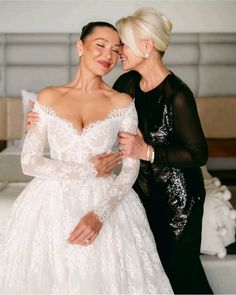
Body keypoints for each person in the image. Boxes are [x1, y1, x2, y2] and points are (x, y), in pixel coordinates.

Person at [0, 21, 173, 294]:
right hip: (49, 203)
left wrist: (99, 215)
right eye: (100, 46)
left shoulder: (122, 103)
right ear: (80, 47)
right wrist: (88, 170)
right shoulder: (49, 96)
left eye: (116, 50)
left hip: (106, 202)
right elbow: (29, 162)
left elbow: (130, 168)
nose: (108, 56)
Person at [112, 7, 213, 294]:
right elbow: (98, 112)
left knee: (181, 274)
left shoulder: (177, 94)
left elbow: (198, 154)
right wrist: (48, 114)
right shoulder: (127, 83)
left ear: (147, 46)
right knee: (152, 275)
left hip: (179, 201)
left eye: (124, 44)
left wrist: (148, 152)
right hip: (142, 194)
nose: (120, 50)